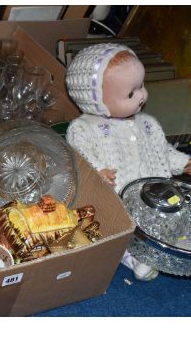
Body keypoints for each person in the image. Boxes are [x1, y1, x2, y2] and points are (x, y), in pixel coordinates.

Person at [65, 43, 191, 280]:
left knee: (177, 215)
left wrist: (184, 163)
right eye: (131, 94)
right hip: (118, 201)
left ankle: (177, 239)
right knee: (114, 228)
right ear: (96, 102)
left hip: (157, 197)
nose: (142, 95)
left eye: (141, 86)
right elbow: (79, 157)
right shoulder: (83, 128)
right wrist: (96, 175)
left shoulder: (148, 123)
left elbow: (162, 151)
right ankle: (132, 257)